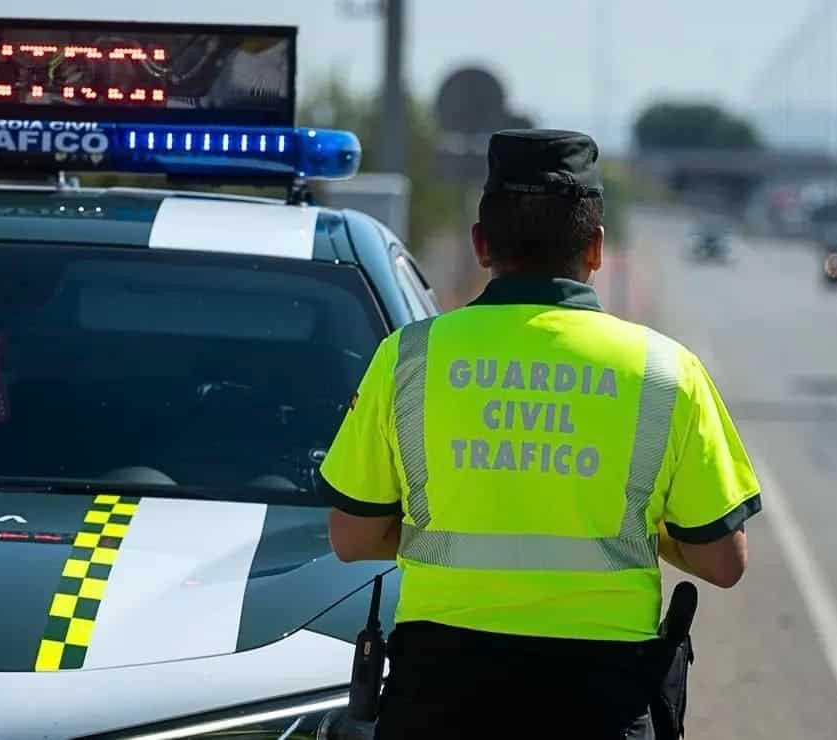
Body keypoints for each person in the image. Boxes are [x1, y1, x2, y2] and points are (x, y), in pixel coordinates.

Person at [319, 129, 761, 739]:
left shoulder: (409, 358)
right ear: (597, 248)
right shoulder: (666, 371)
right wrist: (637, 529)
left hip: (439, 698)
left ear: (481, 244)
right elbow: (723, 560)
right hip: (603, 702)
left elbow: (350, 535)